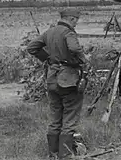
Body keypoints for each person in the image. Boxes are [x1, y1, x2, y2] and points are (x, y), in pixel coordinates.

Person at [26, 8, 89, 159]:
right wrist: (84, 60)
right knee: (69, 117)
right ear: (72, 19)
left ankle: (53, 154)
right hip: (68, 80)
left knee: (55, 118)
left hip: (52, 79)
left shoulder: (49, 32)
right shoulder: (68, 33)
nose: (76, 23)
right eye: (76, 20)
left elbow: (31, 47)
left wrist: (48, 59)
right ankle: (65, 155)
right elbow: (74, 48)